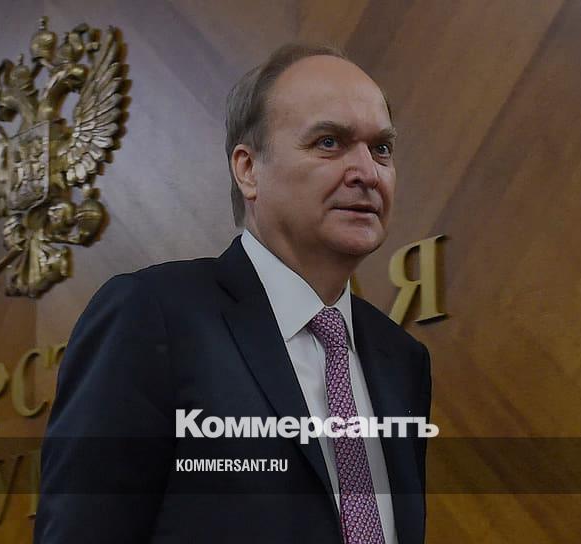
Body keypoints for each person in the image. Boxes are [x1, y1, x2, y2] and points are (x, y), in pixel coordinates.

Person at [34, 43, 432, 544]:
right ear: (248, 169)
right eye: (329, 142)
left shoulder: (402, 361)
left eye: (382, 149)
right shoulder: (152, 316)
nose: (368, 173)